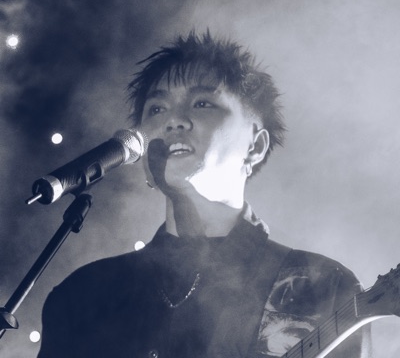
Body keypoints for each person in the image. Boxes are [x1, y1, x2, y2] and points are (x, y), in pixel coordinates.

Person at [37, 31, 371, 357]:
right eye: (156, 109)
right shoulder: (82, 296)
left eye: (202, 103)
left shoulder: (320, 289)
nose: (174, 120)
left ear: (254, 146)